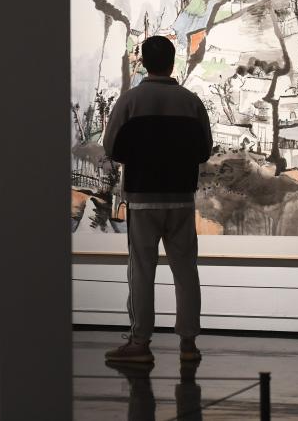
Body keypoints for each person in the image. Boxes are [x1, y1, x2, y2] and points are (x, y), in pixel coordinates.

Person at [102, 35, 212, 363]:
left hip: (142, 197)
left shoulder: (129, 101)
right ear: (172, 62)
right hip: (181, 198)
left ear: (144, 63)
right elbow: (204, 150)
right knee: (186, 270)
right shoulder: (191, 102)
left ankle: (140, 343)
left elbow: (111, 148)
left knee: (141, 270)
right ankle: (189, 343)